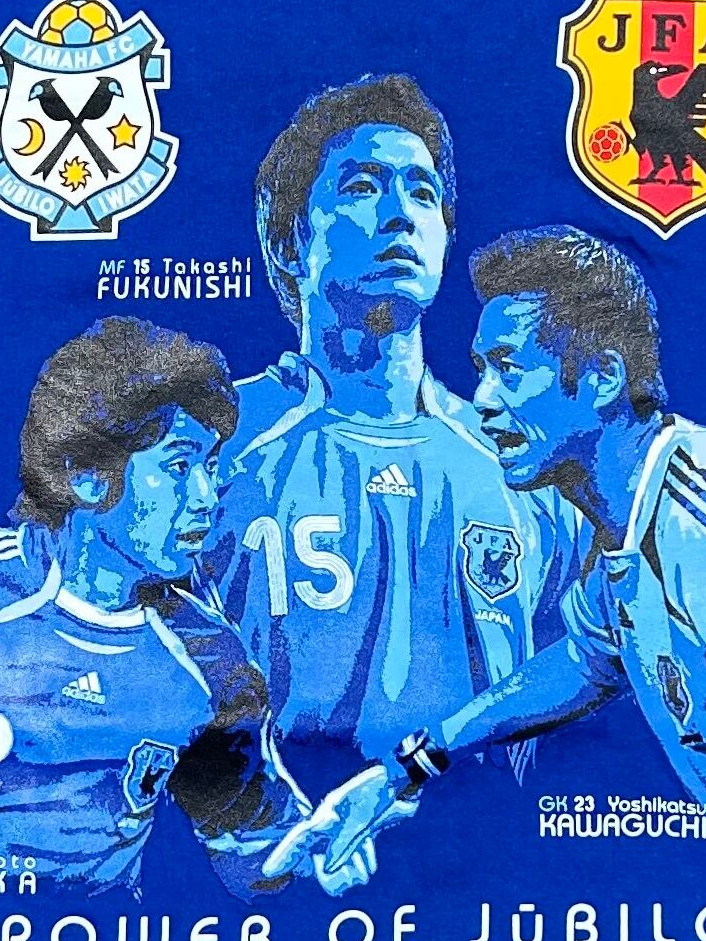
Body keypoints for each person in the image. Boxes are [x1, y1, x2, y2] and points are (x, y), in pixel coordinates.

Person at [309, 228, 706, 886]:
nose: (483, 399)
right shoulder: (624, 520)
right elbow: (583, 663)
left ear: (603, 377)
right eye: (481, 369)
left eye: (509, 368)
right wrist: (409, 767)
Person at [0, 320, 372, 894]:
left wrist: (318, 855)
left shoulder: (207, 656)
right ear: (87, 477)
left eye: (210, 466)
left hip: (86, 939)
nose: (205, 496)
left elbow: (252, 844)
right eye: (178, 466)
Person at [206, 75, 581, 762]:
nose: (400, 214)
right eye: (361, 187)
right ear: (290, 242)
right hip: (277, 825)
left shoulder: (525, 462)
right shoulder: (213, 442)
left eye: (422, 192)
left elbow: (596, 669)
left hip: (476, 827)